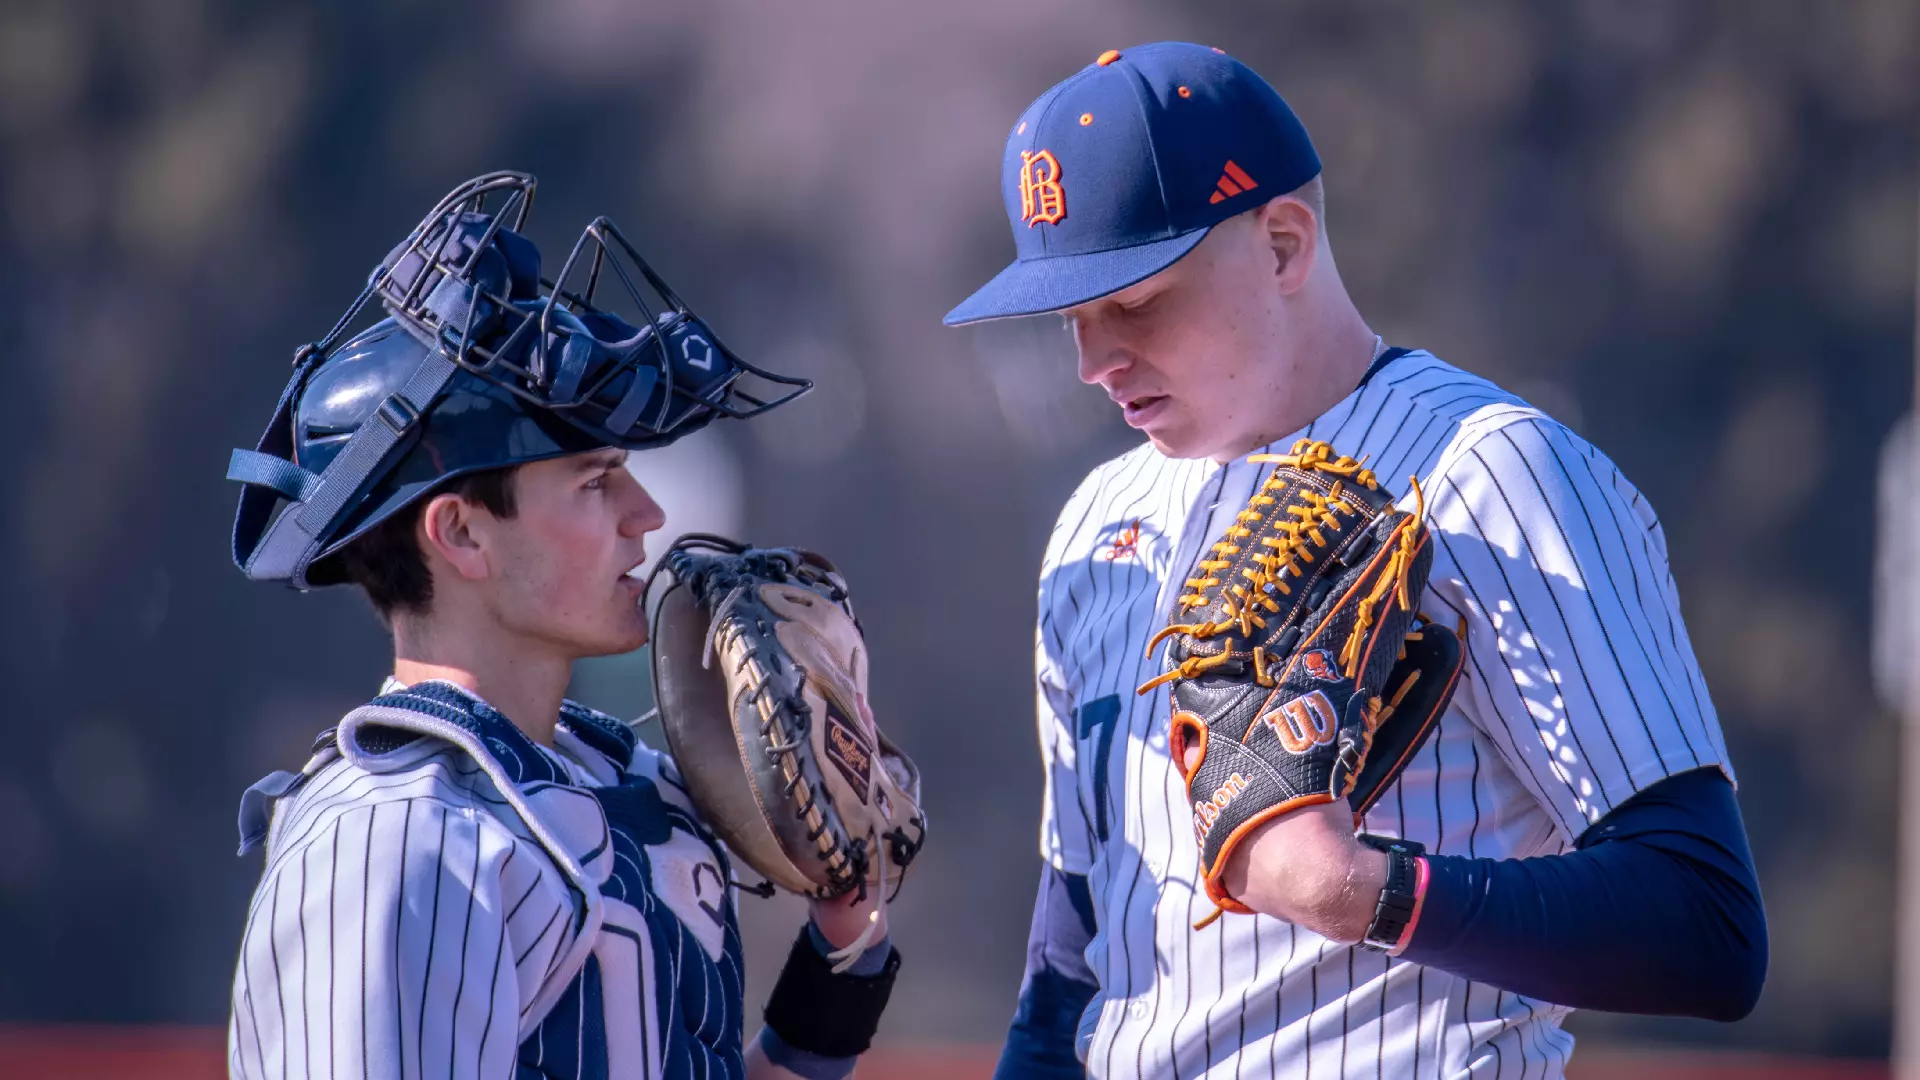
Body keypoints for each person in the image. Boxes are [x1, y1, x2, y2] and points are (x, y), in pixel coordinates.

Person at [943, 44, 1767, 1078]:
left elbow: (1707, 923)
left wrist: (1359, 891)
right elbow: (1071, 971)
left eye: (1135, 301)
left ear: (1283, 244)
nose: (1092, 361)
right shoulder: (1097, 527)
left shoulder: (1495, 472)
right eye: (1073, 317)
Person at [223, 172, 900, 1080]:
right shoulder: (394, 838)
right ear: (460, 532)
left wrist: (842, 946)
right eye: (593, 480)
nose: (646, 512)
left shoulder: (629, 782)